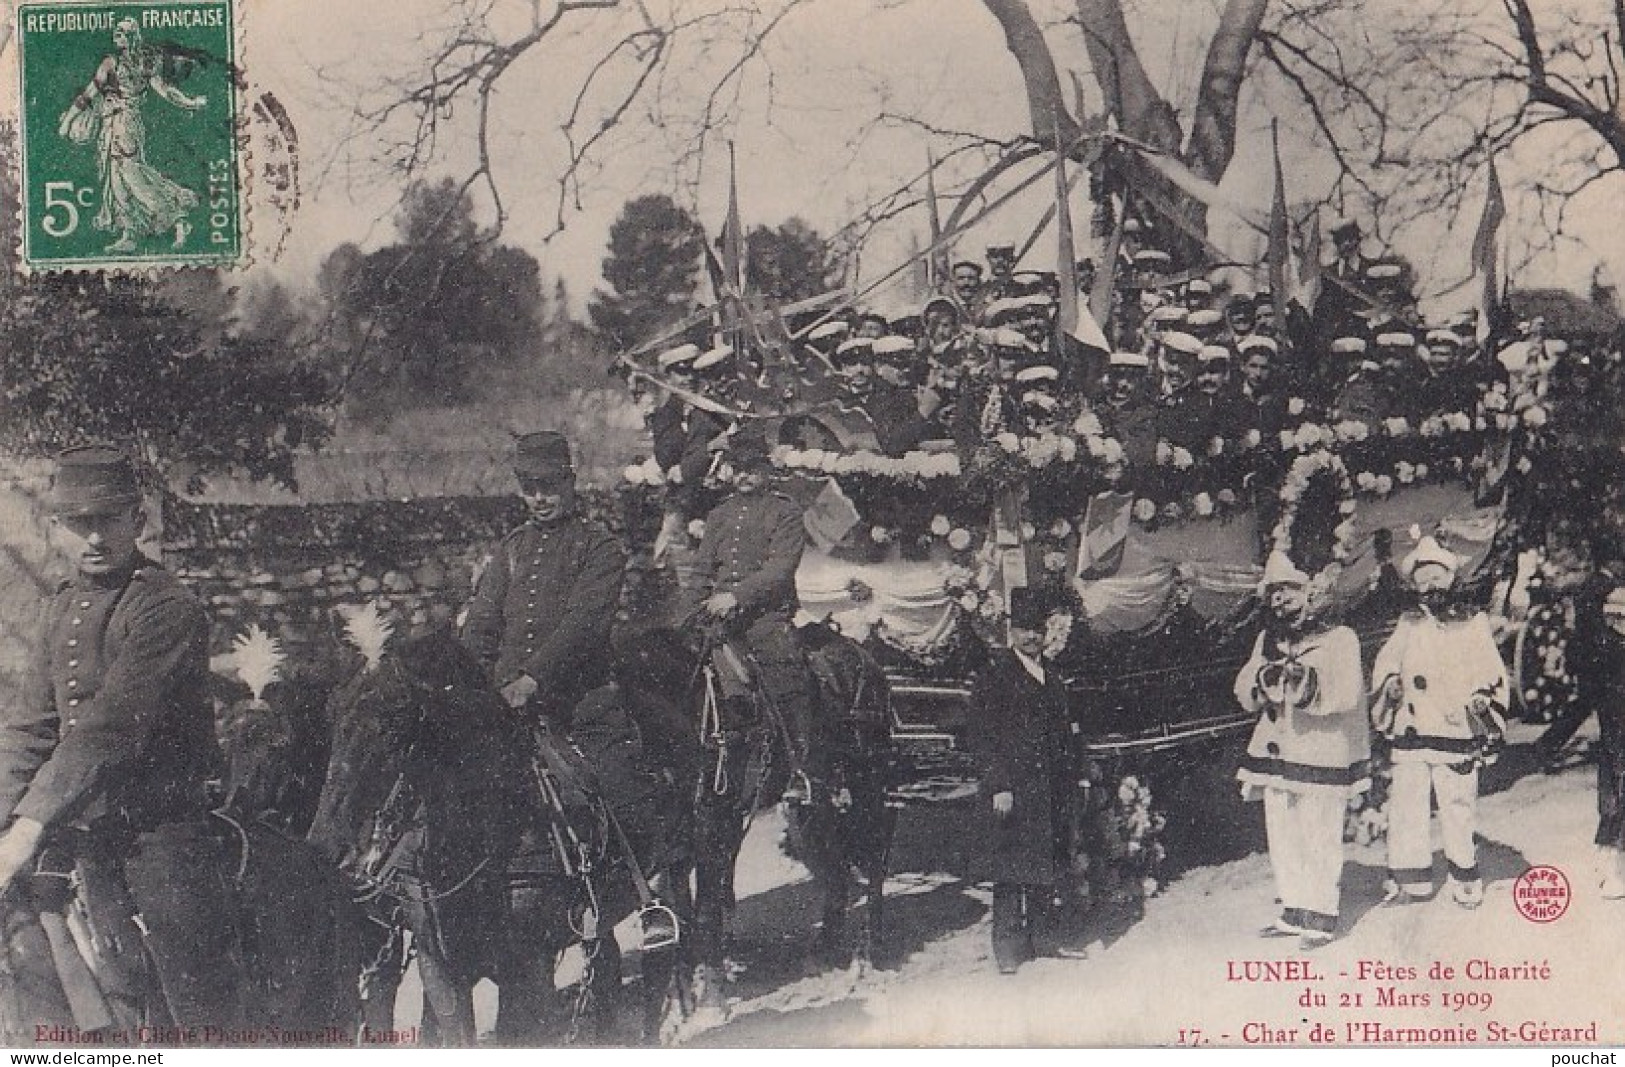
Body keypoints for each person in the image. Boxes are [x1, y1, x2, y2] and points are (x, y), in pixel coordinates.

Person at [0, 445, 243, 1031]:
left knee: (192, 990)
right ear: (57, 528)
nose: (93, 537)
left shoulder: (166, 606)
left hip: (158, 831)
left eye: (107, 519)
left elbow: (111, 726)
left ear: (137, 520)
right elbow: (32, 728)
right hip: (78, 829)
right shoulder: (60, 608)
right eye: (78, 523)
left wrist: (27, 826)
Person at [1235, 551, 1370, 949]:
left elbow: (1346, 693)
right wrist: (1263, 678)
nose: (1280, 600)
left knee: (1318, 831)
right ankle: (1294, 908)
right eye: (1274, 593)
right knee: (1282, 829)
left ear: (1309, 591)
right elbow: (1245, 687)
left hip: (1320, 750)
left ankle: (1322, 914)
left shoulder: (1339, 637)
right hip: (1277, 751)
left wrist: (1303, 680)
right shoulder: (1269, 640)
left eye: (1288, 590)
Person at [681, 426, 820, 803]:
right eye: (737, 467)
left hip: (766, 616)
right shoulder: (719, 515)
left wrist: (737, 597)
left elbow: (781, 568)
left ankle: (800, 769)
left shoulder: (785, 512)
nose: (744, 475)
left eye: (752, 468)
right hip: (718, 619)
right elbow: (701, 571)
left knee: (783, 669)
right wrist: (685, 613)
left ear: (767, 470)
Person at [1370, 534, 1510, 908]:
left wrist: (1482, 694)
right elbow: (1387, 661)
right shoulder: (1409, 624)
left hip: (1454, 726)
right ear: (1414, 587)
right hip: (1413, 730)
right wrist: (1390, 684)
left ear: (1451, 578)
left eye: (1437, 577)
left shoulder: (1472, 623)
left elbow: (1490, 668)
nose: (1431, 586)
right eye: (1423, 580)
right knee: (1407, 803)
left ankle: (1464, 874)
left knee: (1457, 802)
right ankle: (1411, 878)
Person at [461, 431, 627, 729]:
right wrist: (482, 683)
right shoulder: (512, 547)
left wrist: (532, 680)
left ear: (570, 482)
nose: (539, 499)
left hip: (578, 702)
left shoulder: (599, 547)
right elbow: (481, 624)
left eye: (548, 487)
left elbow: (583, 625)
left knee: (611, 769)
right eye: (529, 488)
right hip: (505, 701)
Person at [966, 587, 1080, 974]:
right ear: (1011, 632)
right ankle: (1009, 950)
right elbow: (982, 735)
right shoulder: (995, 676)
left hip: (1051, 789)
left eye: (1037, 629)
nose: (1032, 637)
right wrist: (998, 784)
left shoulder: (1052, 676)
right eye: (1024, 630)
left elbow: (1065, 735)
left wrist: (1073, 779)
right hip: (1013, 790)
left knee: (1047, 865)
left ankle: (1046, 940)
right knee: (1011, 871)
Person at [57, 18, 207, 252]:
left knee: (132, 176)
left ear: (131, 37)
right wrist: (190, 103)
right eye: (116, 32)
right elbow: (166, 91)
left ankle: (176, 218)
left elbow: (88, 94)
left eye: (121, 33)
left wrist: (67, 122)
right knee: (117, 179)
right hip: (121, 124)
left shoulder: (112, 63)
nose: (116, 36)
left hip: (122, 125)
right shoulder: (147, 62)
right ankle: (130, 233)